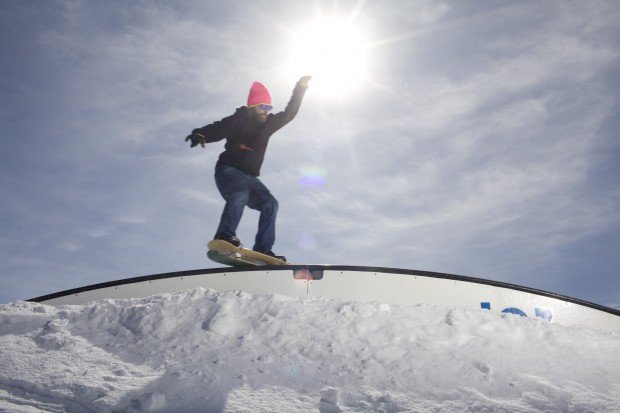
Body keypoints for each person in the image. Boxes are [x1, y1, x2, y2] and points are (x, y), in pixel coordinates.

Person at [185, 76, 311, 261]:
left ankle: (262, 249)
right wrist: (200, 134)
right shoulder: (238, 119)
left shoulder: (270, 123)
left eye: (269, 108)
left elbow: (289, 113)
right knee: (240, 193)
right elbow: (218, 127)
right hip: (228, 170)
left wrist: (299, 89)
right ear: (252, 106)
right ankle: (225, 235)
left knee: (271, 204)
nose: (266, 112)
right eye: (263, 107)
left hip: (251, 177)